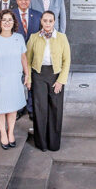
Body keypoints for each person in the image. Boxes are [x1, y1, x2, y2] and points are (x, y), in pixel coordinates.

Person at [26, 11, 71, 151]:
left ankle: (53, 143)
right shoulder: (34, 38)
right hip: (38, 76)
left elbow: (67, 60)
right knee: (40, 109)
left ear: (54, 22)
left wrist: (61, 81)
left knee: (55, 109)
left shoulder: (62, 38)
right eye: (45, 20)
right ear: (41, 21)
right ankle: (41, 143)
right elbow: (27, 61)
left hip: (55, 76)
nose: (47, 23)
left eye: (50, 21)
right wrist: (28, 78)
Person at [0, 10, 28, 150]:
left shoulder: (19, 38)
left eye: (10, 20)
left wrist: (27, 74)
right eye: (4, 20)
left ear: (14, 22)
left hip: (14, 79)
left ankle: (11, 132)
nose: (7, 22)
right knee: (0, 109)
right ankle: (3, 133)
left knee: (12, 108)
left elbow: (23, 58)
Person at [13, 0, 41, 121]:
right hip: (15, 55)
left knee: (31, 82)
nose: (24, 1)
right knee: (17, 83)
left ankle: (31, 108)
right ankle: (18, 108)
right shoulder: (10, 15)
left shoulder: (37, 15)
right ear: (17, 1)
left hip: (33, 55)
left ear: (30, 1)